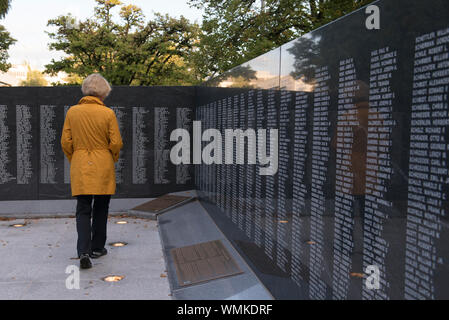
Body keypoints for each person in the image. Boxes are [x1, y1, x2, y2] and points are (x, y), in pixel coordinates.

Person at [61, 73, 123, 269]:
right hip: (103, 162)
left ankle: (83, 251)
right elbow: (116, 143)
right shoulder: (108, 114)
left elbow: (65, 142)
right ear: (103, 92)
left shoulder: (73, 112)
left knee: (83, 208)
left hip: (80, 163)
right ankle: (97, 248)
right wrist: (111, 158)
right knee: (101, 207)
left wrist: (76, 158)